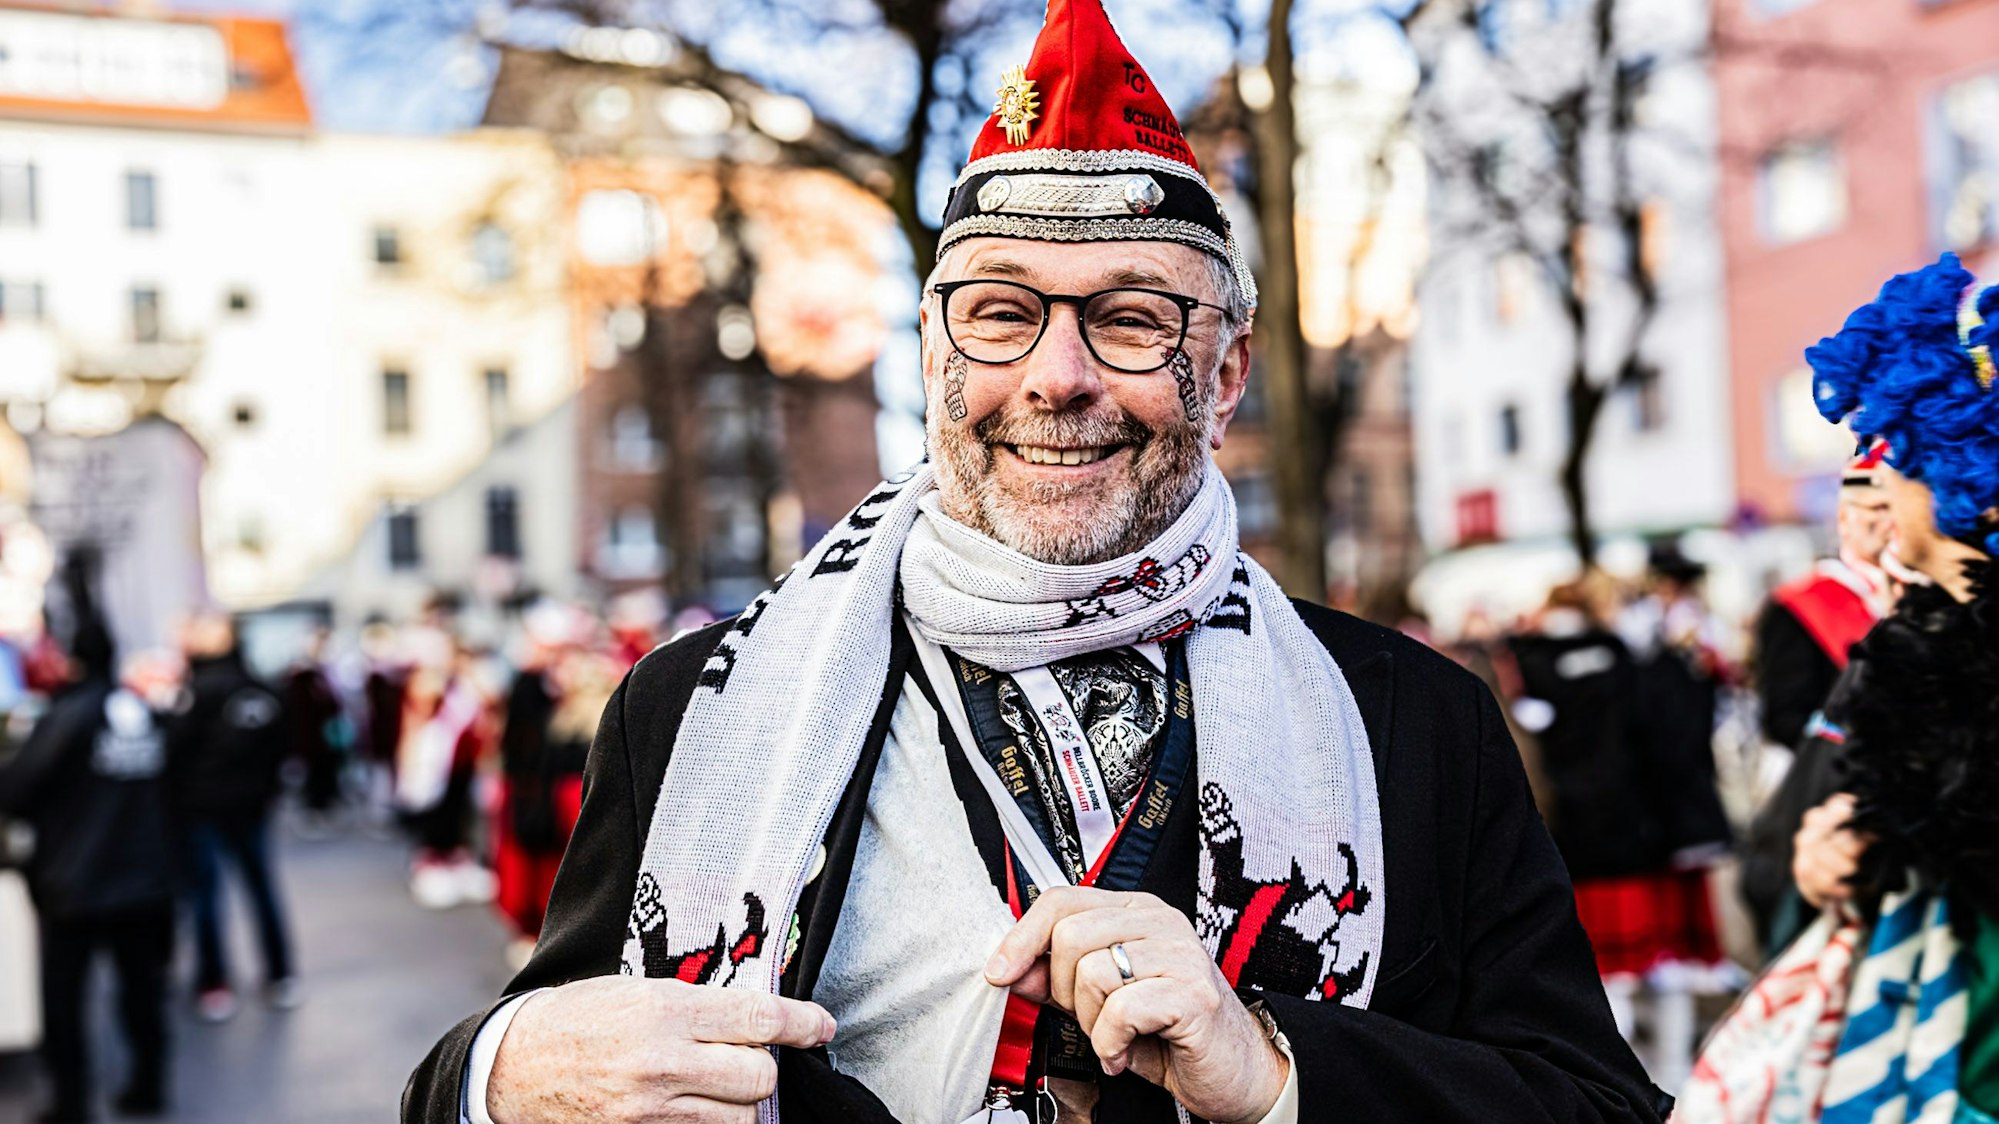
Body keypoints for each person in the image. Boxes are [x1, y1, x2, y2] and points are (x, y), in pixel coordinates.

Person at [405, 3, 1665, 1121]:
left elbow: (1592, 1100)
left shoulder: (1414, 720)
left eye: (1129, 319)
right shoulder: (691, 711)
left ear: (1224, 374)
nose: (1056, 379)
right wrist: (497, 1074)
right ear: (934, 356)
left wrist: (1280, 1070)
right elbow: (512, 1063)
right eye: (1002, 312)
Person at [1778, 254, 1999, 1119]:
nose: (1878, 494)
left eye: (1890, 460)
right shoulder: (1917, 639)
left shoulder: (1955, 643)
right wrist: (1833, 850)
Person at [0, 618, 177, 1122]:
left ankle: (72, 1102)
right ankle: (149, 1086)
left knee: (66, 1001)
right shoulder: (143, 712)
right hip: (144, 881)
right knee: (142, 993)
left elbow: (15, 789)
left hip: (76, 884)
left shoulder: (65, 717)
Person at [1738, 450, 1896, 953]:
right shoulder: (1799, 606)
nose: (1882, 524)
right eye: (1868, 512)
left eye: (1889, 509)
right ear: (1844, 519)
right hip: (1820, 782)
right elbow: (1782, 713)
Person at [169, 611, 298, 1022]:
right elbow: (284, 747)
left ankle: (214, 982)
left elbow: (173, 751)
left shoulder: (196, 692)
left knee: (208, 896)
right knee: (261, 889)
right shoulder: (261, 688)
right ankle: (280, 974)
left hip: (203, 810)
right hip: (252, 807)